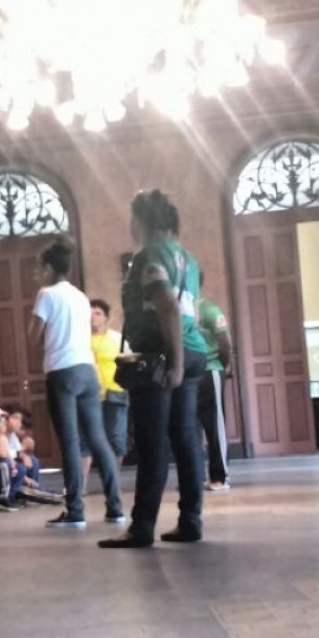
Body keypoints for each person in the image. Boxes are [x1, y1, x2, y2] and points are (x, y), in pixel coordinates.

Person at [101, 190, 208, 549]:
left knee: (153, 442)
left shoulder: (149, 255)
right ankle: (191, 521)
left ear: (142, 219)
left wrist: (174, 363)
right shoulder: (187, 258)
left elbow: (167, 306)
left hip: (163, 356)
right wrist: (182, 357)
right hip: (192, 349)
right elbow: (187, 309)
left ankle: (142, 526)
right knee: (185, 437)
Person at [29, 238, 125, 530]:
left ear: (49, 268)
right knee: (98, 439)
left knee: (70, 442)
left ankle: (75, 511)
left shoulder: (46, 295)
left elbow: (33, 336)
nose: (36, 274)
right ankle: (115, 508)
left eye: (38, 268)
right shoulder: (82, 297)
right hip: (87, 370)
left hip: (62, 372)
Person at [81, 299, 128, 485]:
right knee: (85, 438)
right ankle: (82, 484)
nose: (93, 317)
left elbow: (128, 359)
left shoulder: (116, 338)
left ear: (106, 318)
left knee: (116, 438)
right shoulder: (81, 339)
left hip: (116, 391)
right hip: (89, 394)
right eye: (90, 313)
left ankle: (113, 480)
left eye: (98, 313)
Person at [197, 273, 233, 491]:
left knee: (214, 426)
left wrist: (225, 365)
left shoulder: (210, 310)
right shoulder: (179, 311)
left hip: (210, 371)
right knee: (190, 429)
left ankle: (220, 477)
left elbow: (224, 343)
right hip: (187, 374)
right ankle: (195, 476)